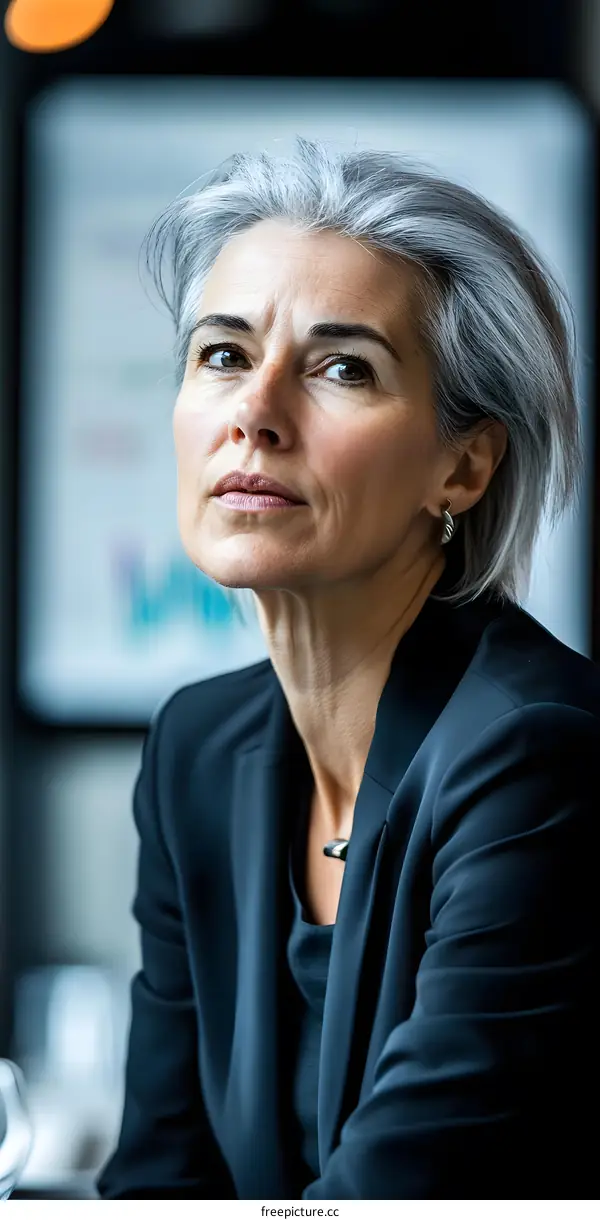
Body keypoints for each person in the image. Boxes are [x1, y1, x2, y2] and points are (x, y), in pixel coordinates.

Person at [96, 139, 599, 1200]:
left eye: (341, 367)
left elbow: (399, 1191)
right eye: (224, 353)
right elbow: (158, 1179)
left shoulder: (537, 749)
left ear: (462, 465)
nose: (256, 412)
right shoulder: (196, 747)